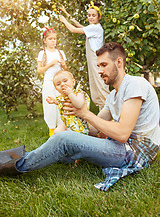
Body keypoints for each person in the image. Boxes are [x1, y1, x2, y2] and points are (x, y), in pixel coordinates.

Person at [0, 42, 159, 192]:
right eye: (98, 66)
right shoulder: (112, 96)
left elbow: (122, 134)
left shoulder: (135, 84)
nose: (99, 71)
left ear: (119, 62)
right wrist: (72, 122)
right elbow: (94, 129)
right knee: (65, 135)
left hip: (136, 152)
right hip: (121, 147)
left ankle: (11, 164)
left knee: (64, 140)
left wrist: (84, 114)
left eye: (104, 65)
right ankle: (11, 158)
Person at [59, 2, 110, 110]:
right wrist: (66, 13)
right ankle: (103, 114)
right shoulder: (91, 28)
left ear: (99, 17)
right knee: (95, 87)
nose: (91, 17)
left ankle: (111, 113)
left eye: (93, 15)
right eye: (89, 15)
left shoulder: (95, 28)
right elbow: (79, 25)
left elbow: (73, 29)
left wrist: (64, 21)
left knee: (100, 86)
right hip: (92, 61)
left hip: (96, 60)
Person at [37, 27, 68, 136]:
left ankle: (62, 129)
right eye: (50, 39)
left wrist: (64, 65)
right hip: (49, 82)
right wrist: (50, 64)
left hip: (60, 84)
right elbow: (39, 70)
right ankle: (51, 130)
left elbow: (66, 71)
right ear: (45, 40)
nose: (53, 41)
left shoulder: (61, 53)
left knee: (61, 103)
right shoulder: (43, 53)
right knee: (50, 105)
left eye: (54, 39)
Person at [46, 70, 90, 135]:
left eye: (65, 81)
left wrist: (70, 93)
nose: (62, 84)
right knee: (57, 131)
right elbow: (64, 104)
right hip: (67, 123)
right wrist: (55, 101)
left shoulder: (79, 93)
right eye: (58, 84)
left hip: (79, 124)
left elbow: (79, 105)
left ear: (73, 82)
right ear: (56, 89)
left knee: (76, 136)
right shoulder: (62, 97)